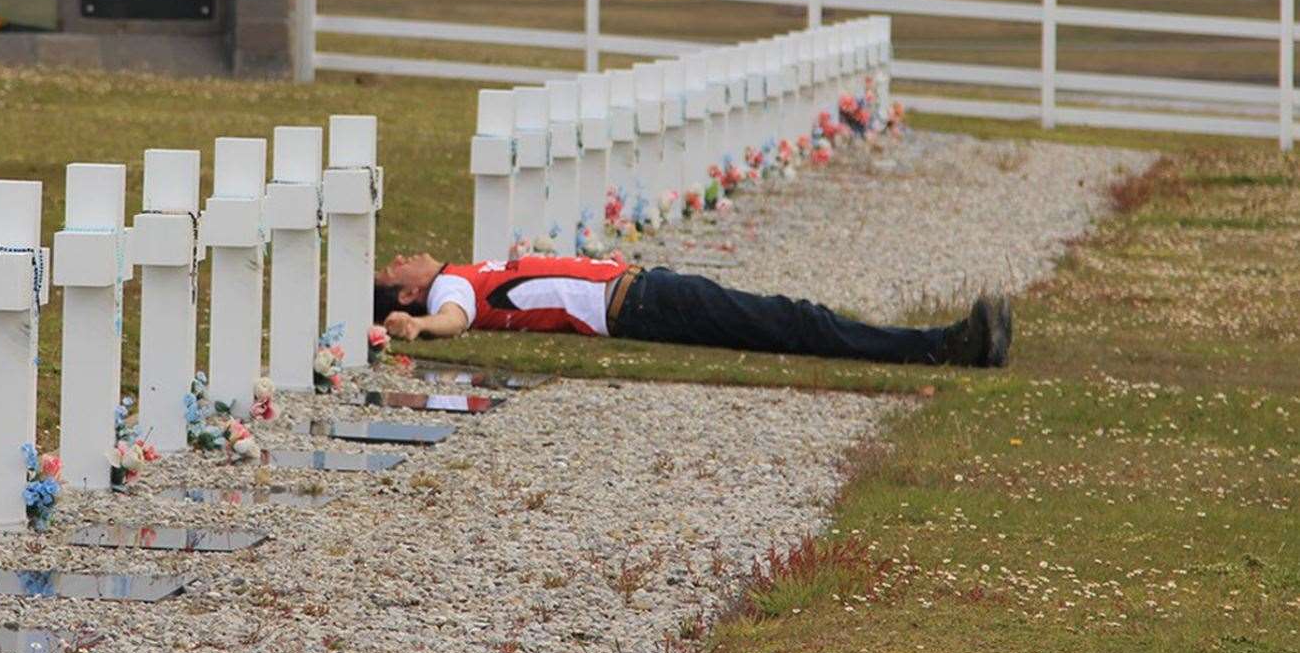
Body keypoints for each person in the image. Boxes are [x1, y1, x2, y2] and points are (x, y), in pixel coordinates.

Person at [373, 253, 1012, 367]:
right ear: (406, 292)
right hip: (642, 303)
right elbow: (454, 321)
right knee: (795, 321)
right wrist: (421, 326)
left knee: (791, 320)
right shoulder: (448, 290)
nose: (403, 255)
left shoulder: (463, 273)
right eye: (393, 267)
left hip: (643, 290)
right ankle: (944, 345)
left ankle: (944, 343)